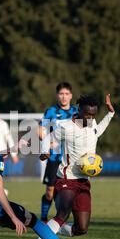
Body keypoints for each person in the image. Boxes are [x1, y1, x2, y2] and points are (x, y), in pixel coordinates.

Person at [25, 94, 115, 239]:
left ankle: (52, 229)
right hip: (66, 178)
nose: (91, 118)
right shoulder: (66, 127)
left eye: (94, 115)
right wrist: (45, 151)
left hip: (84, 182)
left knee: (81, 228)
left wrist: (110, 114)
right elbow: (48, 138)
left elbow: (97, 131)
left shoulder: (92, 123)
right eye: (88, 115)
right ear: (79, 110)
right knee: (62, 214)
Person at [39, 82, 78, 222]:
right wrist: (48, 141)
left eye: (67, 94)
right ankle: (43, 217)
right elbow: (40, 130)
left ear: (71, 95)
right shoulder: (51, 112)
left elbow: (86, 131)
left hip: (71, 159)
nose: (64, 97)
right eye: (61, 94)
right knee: (49, 193)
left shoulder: (76, 112)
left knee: (70, 192)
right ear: (57, 95)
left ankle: (61, 219)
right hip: (55, 158)